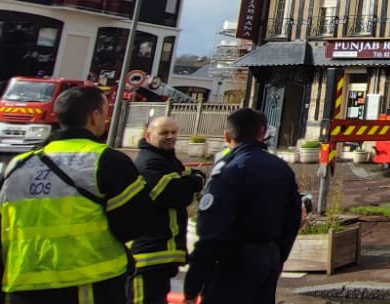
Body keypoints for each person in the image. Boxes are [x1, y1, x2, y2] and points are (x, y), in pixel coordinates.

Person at [0, 86, 153, 304]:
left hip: (22, 284)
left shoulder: (18, 164)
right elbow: (136, 224)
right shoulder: (106, 160)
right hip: (88, 285)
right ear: (95, 116)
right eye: (105, 112)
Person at [184, 108, 301, 304]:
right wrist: (277, 257)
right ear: (262, 133)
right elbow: (293, 218)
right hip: (267, 261)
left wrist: (193, 286)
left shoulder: (230, 170)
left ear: (227, 136)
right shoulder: (281, 168)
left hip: (232, 265)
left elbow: (211, 234)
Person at [128, 117, 205, 304]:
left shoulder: (166, 160)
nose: (170, 137)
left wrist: (188, 181)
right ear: (148, 135)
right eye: (164, 133)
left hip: (159, 256)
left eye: (173, 132)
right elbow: (177, 195)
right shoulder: (149, 163)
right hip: (147, 256)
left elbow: (185, 182)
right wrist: (193, 181)